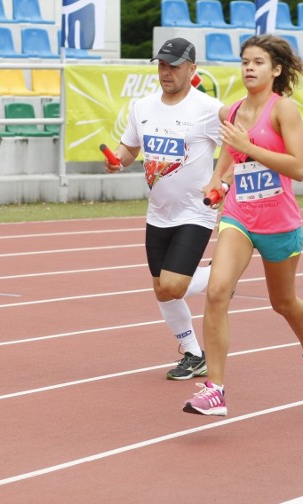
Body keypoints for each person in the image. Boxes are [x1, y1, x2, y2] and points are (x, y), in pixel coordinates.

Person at [182, 34, 303, 417]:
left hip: (279, 222)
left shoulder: (284, 112)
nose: (249, 67)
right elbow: (229, 151)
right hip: (239, 216)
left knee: (283, 302)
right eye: (245, 61)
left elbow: (298, 168)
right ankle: (215, 389)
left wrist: (249, 148)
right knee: (217, 291)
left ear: (276, 69)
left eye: (258, 62)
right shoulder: (229, 112)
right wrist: (218, 177)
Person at [104, 37, 223, 380]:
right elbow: (128, 149)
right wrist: (118, 162)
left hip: (195, 212)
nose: (165, 71)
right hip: (158, 213)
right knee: (161, 288)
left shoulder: (208, 108)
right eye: (161, 65)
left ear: (192, 69)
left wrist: (221, 181)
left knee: (173, 284)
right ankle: (193, 354)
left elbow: (236, 148)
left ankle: (220, 274)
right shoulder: (142, 107)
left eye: (173, 65)